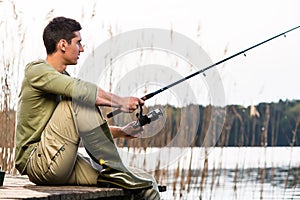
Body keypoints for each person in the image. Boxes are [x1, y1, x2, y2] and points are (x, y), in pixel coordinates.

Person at [15, 16, 160, 199]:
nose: (82, 49)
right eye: (78, 43)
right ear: (62, 44)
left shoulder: (63, 78)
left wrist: (122, 131)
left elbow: (75, 132)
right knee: (80, 99)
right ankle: (114, 168)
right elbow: (83, 92)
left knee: (145, 183)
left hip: (61, 160)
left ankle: (118, 172)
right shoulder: (36, 70)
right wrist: (120, 102)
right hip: (38, 162)